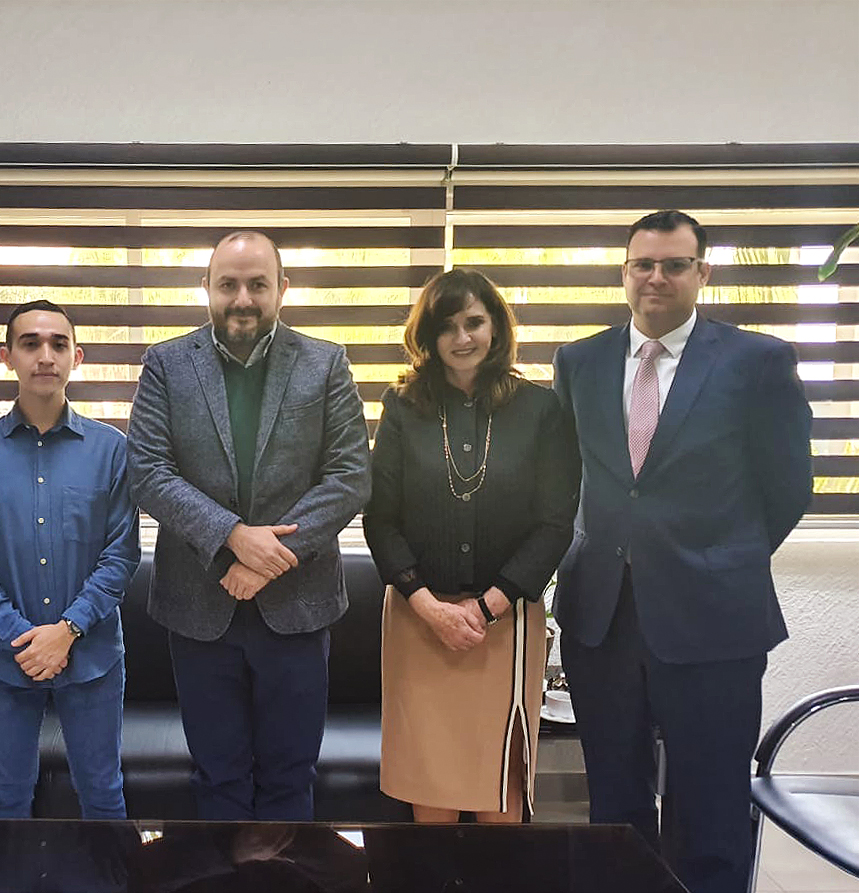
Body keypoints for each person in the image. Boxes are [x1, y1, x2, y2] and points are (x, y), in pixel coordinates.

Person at [552, 210, 813, 893]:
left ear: (702, 272)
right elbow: (562, 478)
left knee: (708, 806)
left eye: (673, 265)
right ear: (623, 273)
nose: (656, 278)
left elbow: (786, 485)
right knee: (613, 803)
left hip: (713, 619)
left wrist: (718, 558)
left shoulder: (755, 360)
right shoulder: (578, 361)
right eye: (643, 264)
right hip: (600, 616)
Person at [126, 230, 371, 820]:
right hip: (197, 609)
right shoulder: (165, 364)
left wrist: (268, 558)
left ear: (282, 290)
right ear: (206, 289)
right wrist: (235, 537)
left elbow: (351, 476)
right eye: (228, 284)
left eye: (257, 284)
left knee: (290, 781)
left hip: (299, 609)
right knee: (218, 780)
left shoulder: (325, 362)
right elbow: (147, 471)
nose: (243, 298)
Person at [363, 268, 579, 824]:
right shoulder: (402, 408)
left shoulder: (540, 410)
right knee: (429, 786)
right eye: (447, 326)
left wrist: (488, 606)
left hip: (506, 624)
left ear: (496, 327)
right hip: (419, 619)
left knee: (501, 797)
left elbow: (555, 523)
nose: (462, 338)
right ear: (427, 337)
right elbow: (380, 519)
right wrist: (427, 605)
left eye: (474, 322)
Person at [0, 300, 140, 819]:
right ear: (7, 356)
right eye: (30, 343)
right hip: (3, 657)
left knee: (102, 792)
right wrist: (23, 638)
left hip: (92, 655)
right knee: (7, 795)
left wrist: (67, 630)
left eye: (57, 344)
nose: (45, 355)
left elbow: (121, 553)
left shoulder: (112, 450)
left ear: (77, 356)